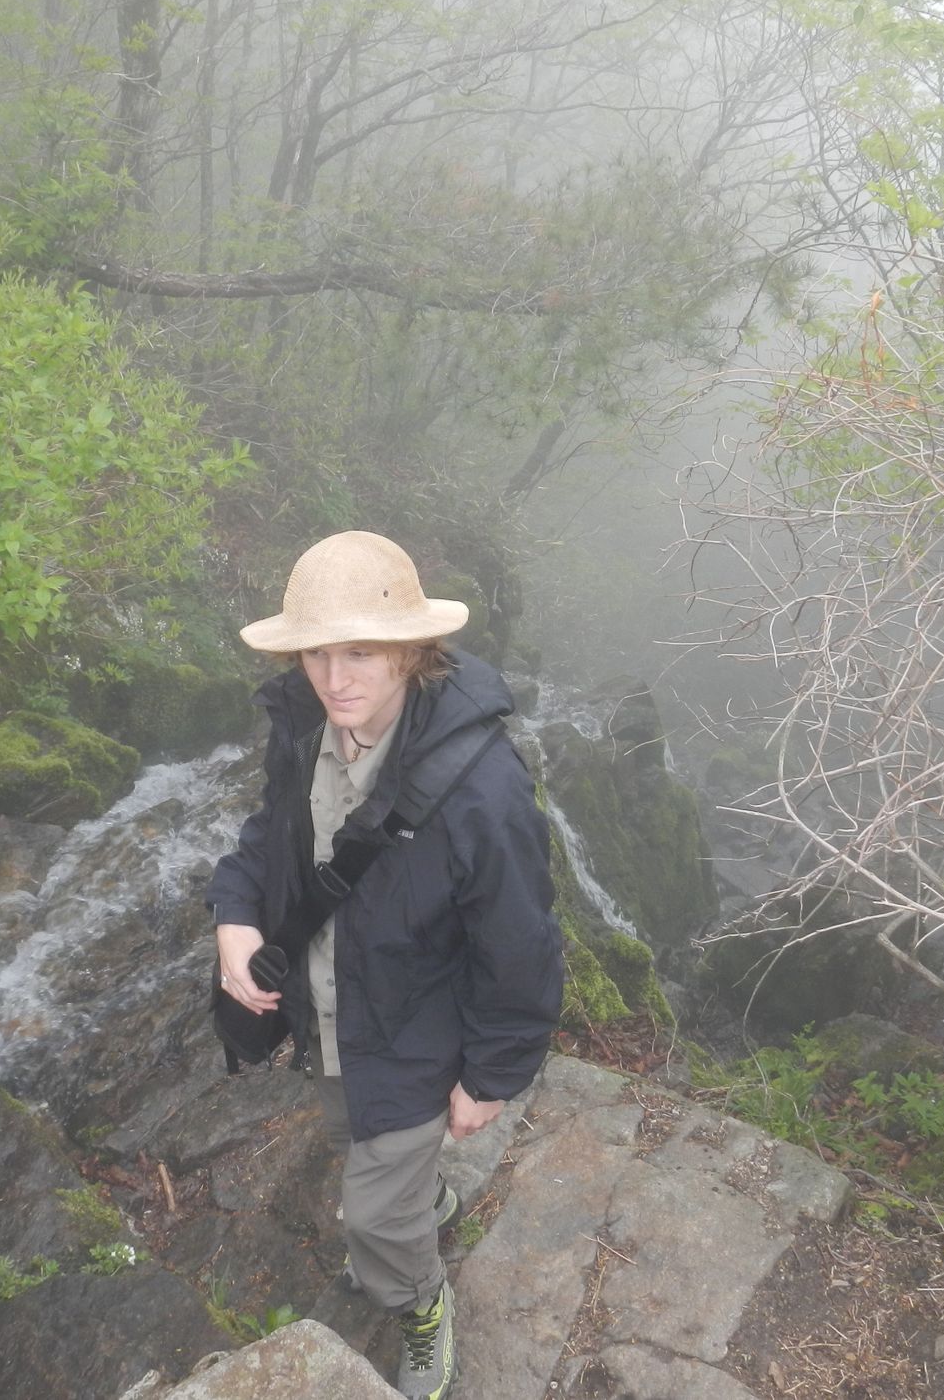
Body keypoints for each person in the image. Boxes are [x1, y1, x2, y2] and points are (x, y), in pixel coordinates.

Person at [208, 530, 561, 1400]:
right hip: (328, 1012)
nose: (335, 678)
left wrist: (493, 1076)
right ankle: (422, 1205)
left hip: (416, 1030)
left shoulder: (482, 787)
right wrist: (234, 918)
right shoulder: (301, 727)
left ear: (411, 650)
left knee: (371, 1214)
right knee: (348, 1135)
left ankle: (421, 1300)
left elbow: (520, 940)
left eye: (359, 651)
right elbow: (267, 839)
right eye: (317, 654)